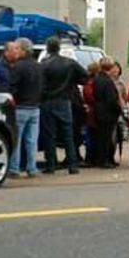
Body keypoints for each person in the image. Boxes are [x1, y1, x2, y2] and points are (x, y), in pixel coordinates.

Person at [39, 36, 88, 175]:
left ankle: (51, 165)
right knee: (68, 134)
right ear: (59, 47)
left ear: (48, 48)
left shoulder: (44, 64)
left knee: (50, 135)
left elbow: (40, 84)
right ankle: (73, 165)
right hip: (65, 100)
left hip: (48, 101)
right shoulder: (70, 63)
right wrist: (72, 81)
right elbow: (85, 76)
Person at [7, 38, 44, 178]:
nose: (15, 51)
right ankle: (31, 167)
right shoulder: (38, 66)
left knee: (16, 140)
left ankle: (14, 168)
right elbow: (42, 87)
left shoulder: (18, 67)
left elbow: (12, 87)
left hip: (20, 107)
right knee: (31, 140)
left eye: (17, 48)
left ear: (23, 50)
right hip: (35, 107)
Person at [93, 58, 121, 169]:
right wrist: (118, 109)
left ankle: (100, 159)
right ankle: (105, 160)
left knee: (101, 137)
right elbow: (112, 100)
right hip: (108, 113)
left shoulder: (97, 79)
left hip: (99, 110)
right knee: (107, 138)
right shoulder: (108, 81)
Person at [82, 62, 100, 166]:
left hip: (92, 112)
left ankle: (90, 158)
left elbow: (89, 96)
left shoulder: (90, 83)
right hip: (98, 111)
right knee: (95, 135)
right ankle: (95, 157)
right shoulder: (97, 82)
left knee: (90, 136)